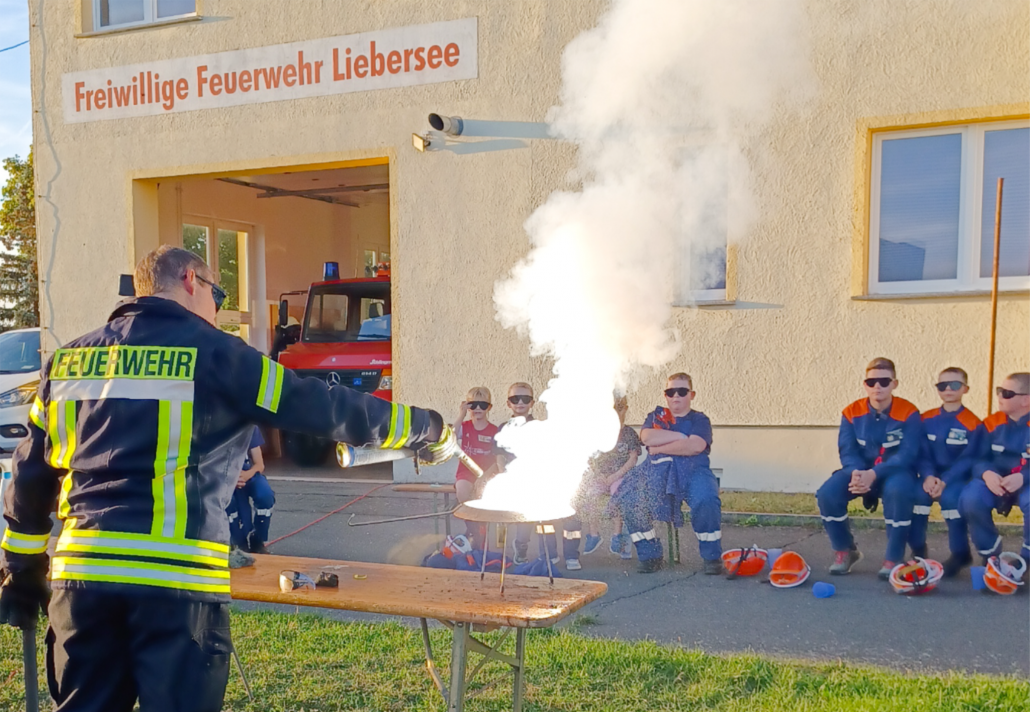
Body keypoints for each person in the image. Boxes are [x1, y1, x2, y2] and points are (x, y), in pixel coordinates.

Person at [0, 246, 456, 712]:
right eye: (217, 294)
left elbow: (30, 476)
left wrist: (21, 569)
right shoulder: (218, 355)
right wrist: (424, 428)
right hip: (176, 589)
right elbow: (321, 406)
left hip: (83, 584)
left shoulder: (67, 363)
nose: (216, 309)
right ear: (191, 280)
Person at [816, 358, 921, 579]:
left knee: (899, 492)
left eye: (884, 381)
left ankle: (894, 557)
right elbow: (847, 450)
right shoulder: (851, 412)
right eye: (871, 382)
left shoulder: (909, 412)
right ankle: (845, 550)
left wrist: (874, 474)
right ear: (865, 385)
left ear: (895, 384)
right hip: (860, 472)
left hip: (895, 472)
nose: (877, 387)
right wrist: (856, 472)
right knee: (827, 494)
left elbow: (908, 454)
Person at [614, 373, 723, 574]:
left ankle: (712, 557)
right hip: (655, 472)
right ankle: (650, 554)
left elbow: (695, 446)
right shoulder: (655, 417)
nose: (676, 396)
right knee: (630, 499)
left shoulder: (700, 420)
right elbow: (647, 437)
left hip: (693, 472)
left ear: (692, 395)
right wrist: (681, 437)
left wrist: (660, 447)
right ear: (665, 395)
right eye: (671, 392)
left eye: (682, 391)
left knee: (706, 499)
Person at [910, 367, 981, 578]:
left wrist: (946, 481)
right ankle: (918, 551)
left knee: (951, 500)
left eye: (955, 385)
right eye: (942, 385)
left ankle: (960, 553)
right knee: (917, 498)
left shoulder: (973, 423)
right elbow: (921, 452)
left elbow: (969, 458)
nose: (948, 389)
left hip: (957, 479)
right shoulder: (925, 419)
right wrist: (928, 476)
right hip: (930, 477)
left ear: (966, 389)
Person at [562, 395, 641, 570]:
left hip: (620, 476)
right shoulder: (598, 432)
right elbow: (590, 458)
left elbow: (633, 459)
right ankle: (594, 534)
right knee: (591, 494)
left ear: (625, 409)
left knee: (617, 493)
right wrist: (598, 475)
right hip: (601, 476)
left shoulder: (629, 433)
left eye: (619, 407)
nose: (616, 412)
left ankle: (617, 535)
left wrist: (615, 476)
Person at [958, 372, 1030, 565]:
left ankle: (1027, 557)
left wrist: (1024, 477)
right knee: (972, 497)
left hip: (1026, 482)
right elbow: (978, 457)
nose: (999, 396)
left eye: (1007, 393)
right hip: (996, 480)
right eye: (999, 391)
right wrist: (986, 473)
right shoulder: (991, 423)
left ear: (1026, 400)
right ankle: (989, 554)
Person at [492, 382, 556, 565]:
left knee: (541, 518)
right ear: (508, 403)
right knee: (519, 519)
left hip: (536, 479)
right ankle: (517, 547)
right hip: (513, 480)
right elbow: (499, 455)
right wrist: (504, 474)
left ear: (532, 402)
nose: (520, 402)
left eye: (525, 399)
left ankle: (545, 554)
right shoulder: (503, 428)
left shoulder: (539, 427)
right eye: (515, 399)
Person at [453, 386, 500, 546]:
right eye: (473, 404)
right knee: (463, 493)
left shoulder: (494, 431)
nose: (478, 408)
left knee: (482, 501)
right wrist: (461, 414)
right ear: (468, 406)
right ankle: (473, 531)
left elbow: (497, 459)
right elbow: (450, 437)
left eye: (483, 405)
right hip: (466, 471)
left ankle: (479, 532)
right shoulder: (465, 426)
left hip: (487, 472)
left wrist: (485, 477)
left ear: (489, 407)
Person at [226, 425, 275, 554]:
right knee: (229, 502)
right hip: (223, 476)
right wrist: (231, 478)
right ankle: (237, 542)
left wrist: (247, 474)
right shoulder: (214, 427)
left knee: (265, 495)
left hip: (247, 473)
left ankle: (257, 539)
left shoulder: (250, 427)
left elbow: (259, 464)